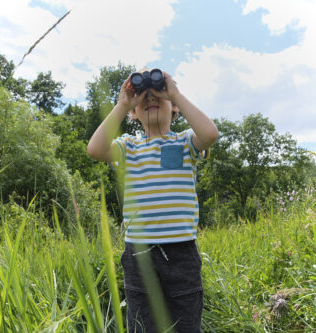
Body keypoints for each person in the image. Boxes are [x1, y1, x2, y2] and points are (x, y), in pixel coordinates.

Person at [87, 68, 218, 332]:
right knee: (142, 325)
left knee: (186, 324)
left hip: (181, 251)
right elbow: (95, 149)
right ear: (134, 114)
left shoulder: (185, 143)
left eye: (158, 95)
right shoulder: (128, 147)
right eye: (143, 97)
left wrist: (175, 93)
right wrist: (124, 104)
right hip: (139, 255)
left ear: (175, 110)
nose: (151, 99)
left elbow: (210, 134)